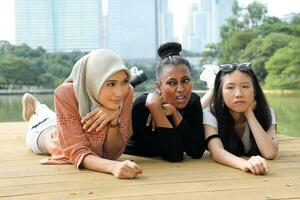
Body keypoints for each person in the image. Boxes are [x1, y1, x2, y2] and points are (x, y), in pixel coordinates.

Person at [22, 49, 143, 179]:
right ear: (93, 80)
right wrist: (113, 167)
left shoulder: (127, 92)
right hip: (45, 134)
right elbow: (78, 152)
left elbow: (111, 153)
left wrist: (114, 118)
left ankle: (37, 105)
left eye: (124, 81)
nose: (120, 93)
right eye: (111, 84)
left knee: (52, 117)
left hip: (64, 122)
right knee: (38, 122)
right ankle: (34, 108)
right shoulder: (66, 93)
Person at [125, 42, 213, 162]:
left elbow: (196, 151)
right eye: (172, 83)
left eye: (185, 80)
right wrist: (156, 109)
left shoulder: (193, 101)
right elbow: (175, 155)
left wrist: (174, 113)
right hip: (137, 163)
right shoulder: (143, 106)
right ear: (159, 86)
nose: (181, 89)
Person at [203, 63, 279, 175]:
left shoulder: (267, 112)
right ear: (220, 93)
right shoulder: (211, 114)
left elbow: (270, 152)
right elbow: (216, 151)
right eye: (230, 87)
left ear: (255, 91)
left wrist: (249, 114)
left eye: (245, 86)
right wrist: (245, 164)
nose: (239, 94)